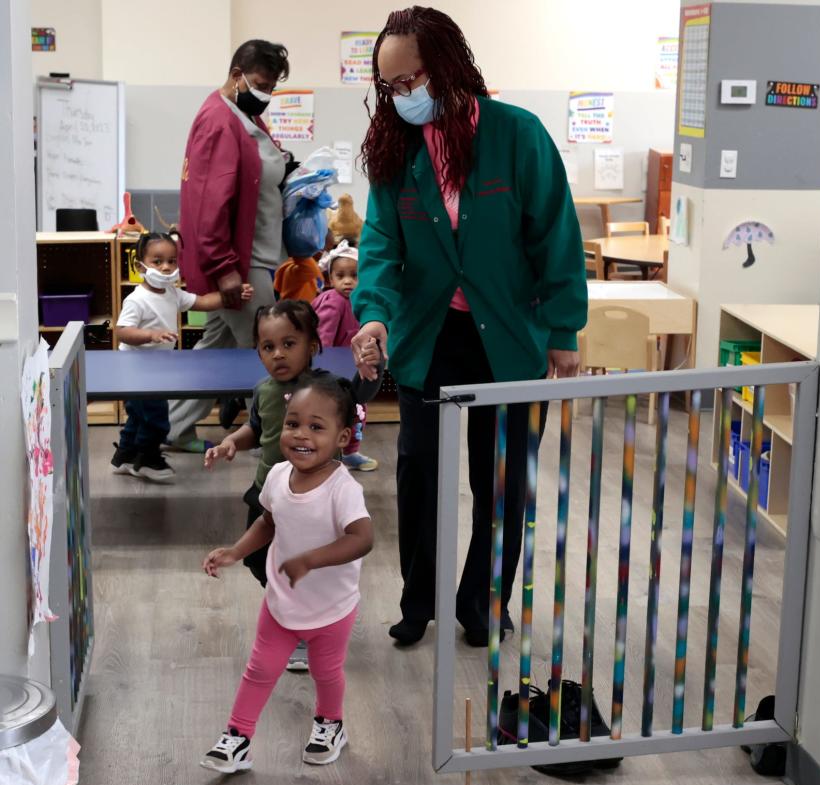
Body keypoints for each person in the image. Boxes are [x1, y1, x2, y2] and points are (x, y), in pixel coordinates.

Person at [352, 6, 587, 648]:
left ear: (449, 69)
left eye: (411, 82)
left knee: (502, 478)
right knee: (419, 469)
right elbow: (379, 243)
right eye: (390, 88)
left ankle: (484, 603)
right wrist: (372, 313)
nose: (403, 97)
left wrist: (564, 332)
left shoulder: (518, 135)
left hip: (508, 335)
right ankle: (417, 600)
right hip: (428, 336)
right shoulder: (395, 148)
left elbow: (555, 234)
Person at [199, 378, 373, 774]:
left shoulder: (342, 490)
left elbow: (362, 539)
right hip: (281, 602)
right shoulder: (278, 475)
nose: (301, 435)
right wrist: (235, 551)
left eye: (316, 427)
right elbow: (268, 521)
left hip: (331, 608)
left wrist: (312, 559)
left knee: (325, 672)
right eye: (293, 424)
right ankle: (238, 738)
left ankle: (331, 724)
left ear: (343, 437)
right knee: (259, 670)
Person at [205, 299, 378, 670]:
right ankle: (295, 611)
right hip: (268, 490)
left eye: (289, 344)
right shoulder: (263, 390)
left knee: (295, 563)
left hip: (312, 497)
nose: (278, 354)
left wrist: (370, 370)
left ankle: (303, 629)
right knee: (256, 559)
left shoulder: (325, 387)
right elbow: (258, 428)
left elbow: (359, 396)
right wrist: (232, 441)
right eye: (268, 347)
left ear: (312, 347)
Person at [167, 39, 291, 453]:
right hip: (241, 263)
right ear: (237, 74)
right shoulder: (221, 121)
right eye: (260, 83)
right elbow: (210, 204)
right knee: (275, 350)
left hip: (250, 255)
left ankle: (172, 429)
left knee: (212, 351)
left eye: (272, 87)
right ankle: (279, 443)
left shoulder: (240, 114)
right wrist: (226, 272)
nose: (266, 94)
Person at [111, 232, 253, 483]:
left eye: (172, 261)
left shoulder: (172, 293)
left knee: (138, 415)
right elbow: (122, 331)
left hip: (156, 371)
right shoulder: (137, 299)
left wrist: (231, 294)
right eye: (157, 262)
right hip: (136, 372)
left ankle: (125, 455)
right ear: (139, 265)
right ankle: (147, 458)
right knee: (155, 416)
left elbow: (203, 302)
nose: (166, 267)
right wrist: (150, 335)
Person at [312, 240, 376, 472]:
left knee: (357, 412)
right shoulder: (334, 302)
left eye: (354, 275)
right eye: (340, 276)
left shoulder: (360, 301)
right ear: (331, 279)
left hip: (354, 371)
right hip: (335, 375)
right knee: (334, 415)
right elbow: (323, 342)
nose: (348, 281)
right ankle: (330, 454)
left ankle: (350, 452)